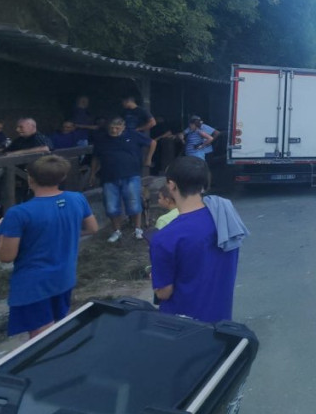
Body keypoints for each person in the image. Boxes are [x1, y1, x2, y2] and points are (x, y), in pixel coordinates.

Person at [0, 155, 97, 337]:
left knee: (42, 338)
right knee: (57, 327)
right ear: (63, 177)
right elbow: (92, 228)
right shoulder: (77, 198)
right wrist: (65, 233)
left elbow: (6, 256)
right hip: (64, 277)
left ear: (30, 179)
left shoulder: (18, 213)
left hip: (34, 285)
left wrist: (4, 231)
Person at [150, 157, 246, 322]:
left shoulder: (165, 237)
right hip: (221, 322)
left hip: (182, 326)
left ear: (171, 185)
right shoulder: (225, 219)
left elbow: (164, 293)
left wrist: (155, 277)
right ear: (204, 184)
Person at [89, 117, 156, 242]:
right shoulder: (101, 139)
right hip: (108, 177)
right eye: (111, 128)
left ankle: (138, 229)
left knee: (134, 203)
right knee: (111, 207)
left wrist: (148, 159)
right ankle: (117, 231)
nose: (114, 130)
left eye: (117, 128)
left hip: (131, 174)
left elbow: (152, 142)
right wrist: (92, 174)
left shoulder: (133, 134)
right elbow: (95, 157)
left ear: (123, 127)